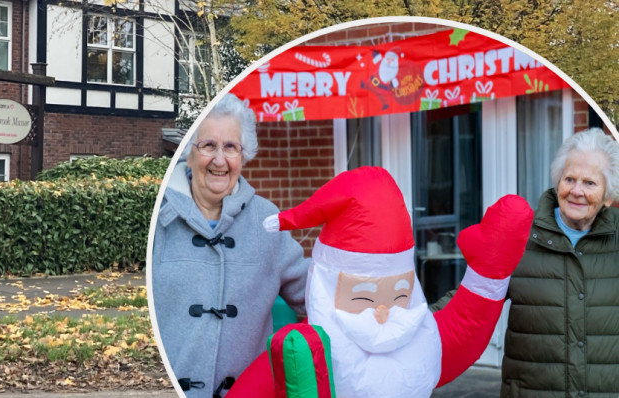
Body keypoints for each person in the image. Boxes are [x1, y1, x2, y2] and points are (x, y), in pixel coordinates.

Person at [226, 165, 531, 398]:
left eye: (400, 295)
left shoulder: (420, 338)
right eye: (363, 299)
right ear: (328, 288)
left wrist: (490, 269)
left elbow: (463, 331)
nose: (384, 312)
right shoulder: (309, 349)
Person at [150, 93, 308, 397]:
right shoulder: (157, 219)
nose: (220, 160)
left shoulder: (266, 220)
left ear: (244, 154)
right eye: (209, 145)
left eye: (231, 147)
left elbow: (317, 292)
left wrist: (368, 280)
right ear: (189, 153)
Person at [501, 127, 619, 398]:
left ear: (608, 196)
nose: (576, 191)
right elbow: (472, 300)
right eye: (569, 179)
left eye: (589, 183)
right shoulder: (519, 236)